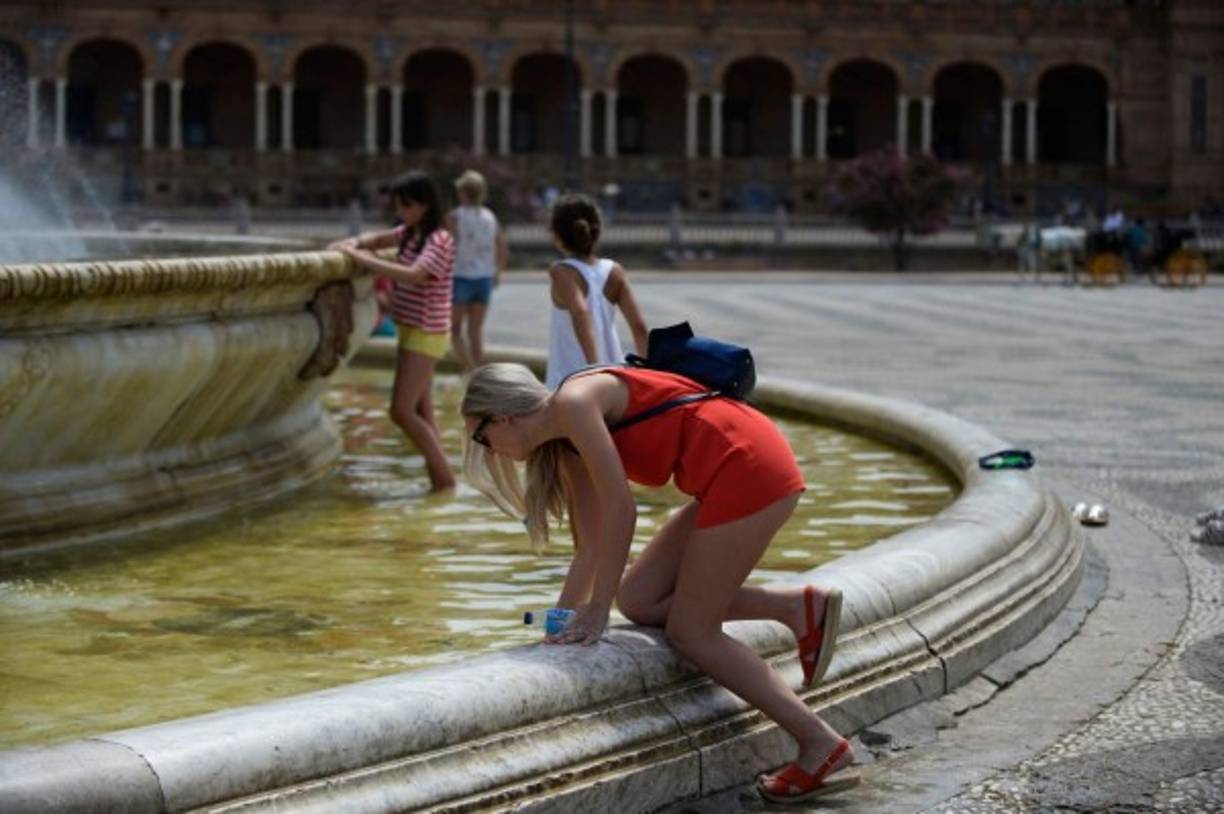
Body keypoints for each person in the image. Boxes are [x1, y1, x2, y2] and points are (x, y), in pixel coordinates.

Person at [459, 363, 860, 802]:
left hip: (747, 464)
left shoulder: (575, 403)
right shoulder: (565, 440)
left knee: (692, 633)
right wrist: (559, 626)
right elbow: (591, 545)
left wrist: (597, 610)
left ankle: (821, 745)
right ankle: (793, 608)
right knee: (639, 599)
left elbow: (622, 511)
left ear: (501, 417)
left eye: (482, 439)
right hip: (726, 470)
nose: (491, 452)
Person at [330, 170, 456, 491]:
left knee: (401, 411)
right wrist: (353, 243)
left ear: (425, 205)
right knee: (422, 411)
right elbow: (376, 239)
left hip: (427, 332)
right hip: (412, 329)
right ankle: (439, 483)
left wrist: (362, 259)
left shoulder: (439, 239)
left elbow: (415, 274)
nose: (400, 212)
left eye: (406, 205)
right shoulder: (410, 233)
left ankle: (446, 481)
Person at [545, 193, 648, 389]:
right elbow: (640, 327)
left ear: (557, 236)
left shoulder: (561, 271)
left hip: (572, 383)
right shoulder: (615, 271)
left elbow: (580, 312)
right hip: (616, 381)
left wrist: (594, 369)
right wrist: (648, 371)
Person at [446, 170, 508, 370]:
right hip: (484, 278)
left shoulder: (455, 217)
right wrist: (497, 272)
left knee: (454, 331)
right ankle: (476, 373)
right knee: (475, 331)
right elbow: (502, 249)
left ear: (463, 192)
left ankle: (472, 371)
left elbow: (447, 246)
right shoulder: (490, 217)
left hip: (461, 276)